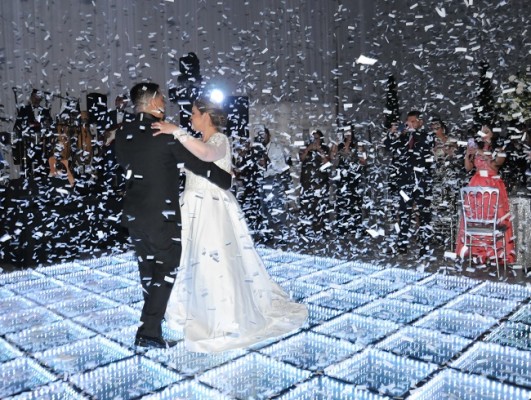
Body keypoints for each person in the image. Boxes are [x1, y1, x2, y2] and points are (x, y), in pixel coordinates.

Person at [152, 97, 308, 353]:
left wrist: (176, 131)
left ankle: (221, 313)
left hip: (210, 208)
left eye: (193, 113)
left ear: (205, 116)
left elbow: (207, 155)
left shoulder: (218, 140)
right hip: (192, 207)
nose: (190, 118)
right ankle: (195, 308)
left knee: (214, 259)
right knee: (192, 259)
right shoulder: (198, 141)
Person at [115, 82, 233, 349]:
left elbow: (126, 164)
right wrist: (225, 179)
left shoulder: (123, 133)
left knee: (148, 272)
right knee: (165, 269)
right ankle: (148, 331)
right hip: (162, 215)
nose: (166, 103)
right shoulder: (164, 134)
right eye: (163, 99)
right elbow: (198, 165)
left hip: (134, 214)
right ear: (154, 101)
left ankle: (152, 325)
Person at [455, 124, 516, 264]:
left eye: (486, 131)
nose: (483, 134)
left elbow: (495, 165)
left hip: (492, 183)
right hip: (476, 184)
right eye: (482, 131)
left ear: (492, 133)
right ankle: (475, 251)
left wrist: (481, 153)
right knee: (475, 217)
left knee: (493, 217)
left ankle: (495, 252)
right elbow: (468, 168)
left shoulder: (499, 148)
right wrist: (468, 154)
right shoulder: (478, 147)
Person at [385, 110, 435, 258]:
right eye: (408, 121)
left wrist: (412, 133)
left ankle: (425, 246)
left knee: (424, 214)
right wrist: (393, 133)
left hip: (422, 181)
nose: (410, 124)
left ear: (420, 122)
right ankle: (402, 245)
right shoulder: (403, 137)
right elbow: (389, 147)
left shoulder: (426, 135)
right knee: (404, 213)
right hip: (405, 180)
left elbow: (425, 147)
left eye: (413, 121)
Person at [257, 127, 292, 241]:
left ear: (268, 135)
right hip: (262, 181)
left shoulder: (276, 148)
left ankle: (281, 236)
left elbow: (282, 167)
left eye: (263, 134)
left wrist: (268, 161)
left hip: (274, 180)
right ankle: (269, 235)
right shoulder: (258, 148)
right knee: (265, 209)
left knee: (277, 208)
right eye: (259, 134)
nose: (261, 137)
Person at [298, 130, 331, 236]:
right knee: (306, 206)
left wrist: (319, 150)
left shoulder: (325, 148)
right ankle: (305, 228)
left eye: (317, 138)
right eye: (313, 138)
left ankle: (322, 228)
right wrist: (308, 149)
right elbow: (301, 158)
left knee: (321, 206)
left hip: (320, 183)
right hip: (307, 183)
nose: (315, 141)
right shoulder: (305, 148)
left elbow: (327, 162)